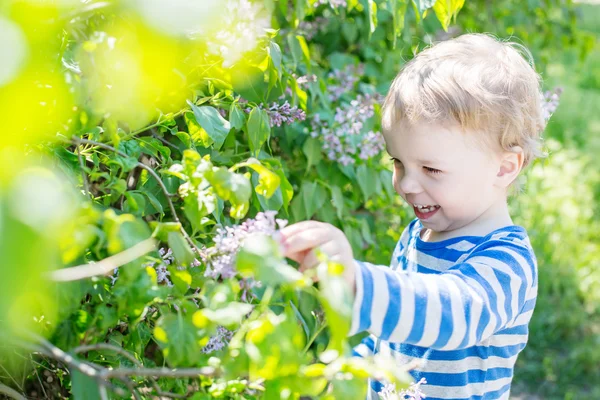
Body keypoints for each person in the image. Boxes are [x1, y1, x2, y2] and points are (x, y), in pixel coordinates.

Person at [279, 33, 546, 400]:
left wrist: (359, 281)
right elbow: (395, 334)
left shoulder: (507, 260)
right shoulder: (418, 234)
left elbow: (453, 316)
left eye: (432, 170)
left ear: (503, 168)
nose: (406, 184)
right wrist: (344, 373)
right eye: (398, 162)